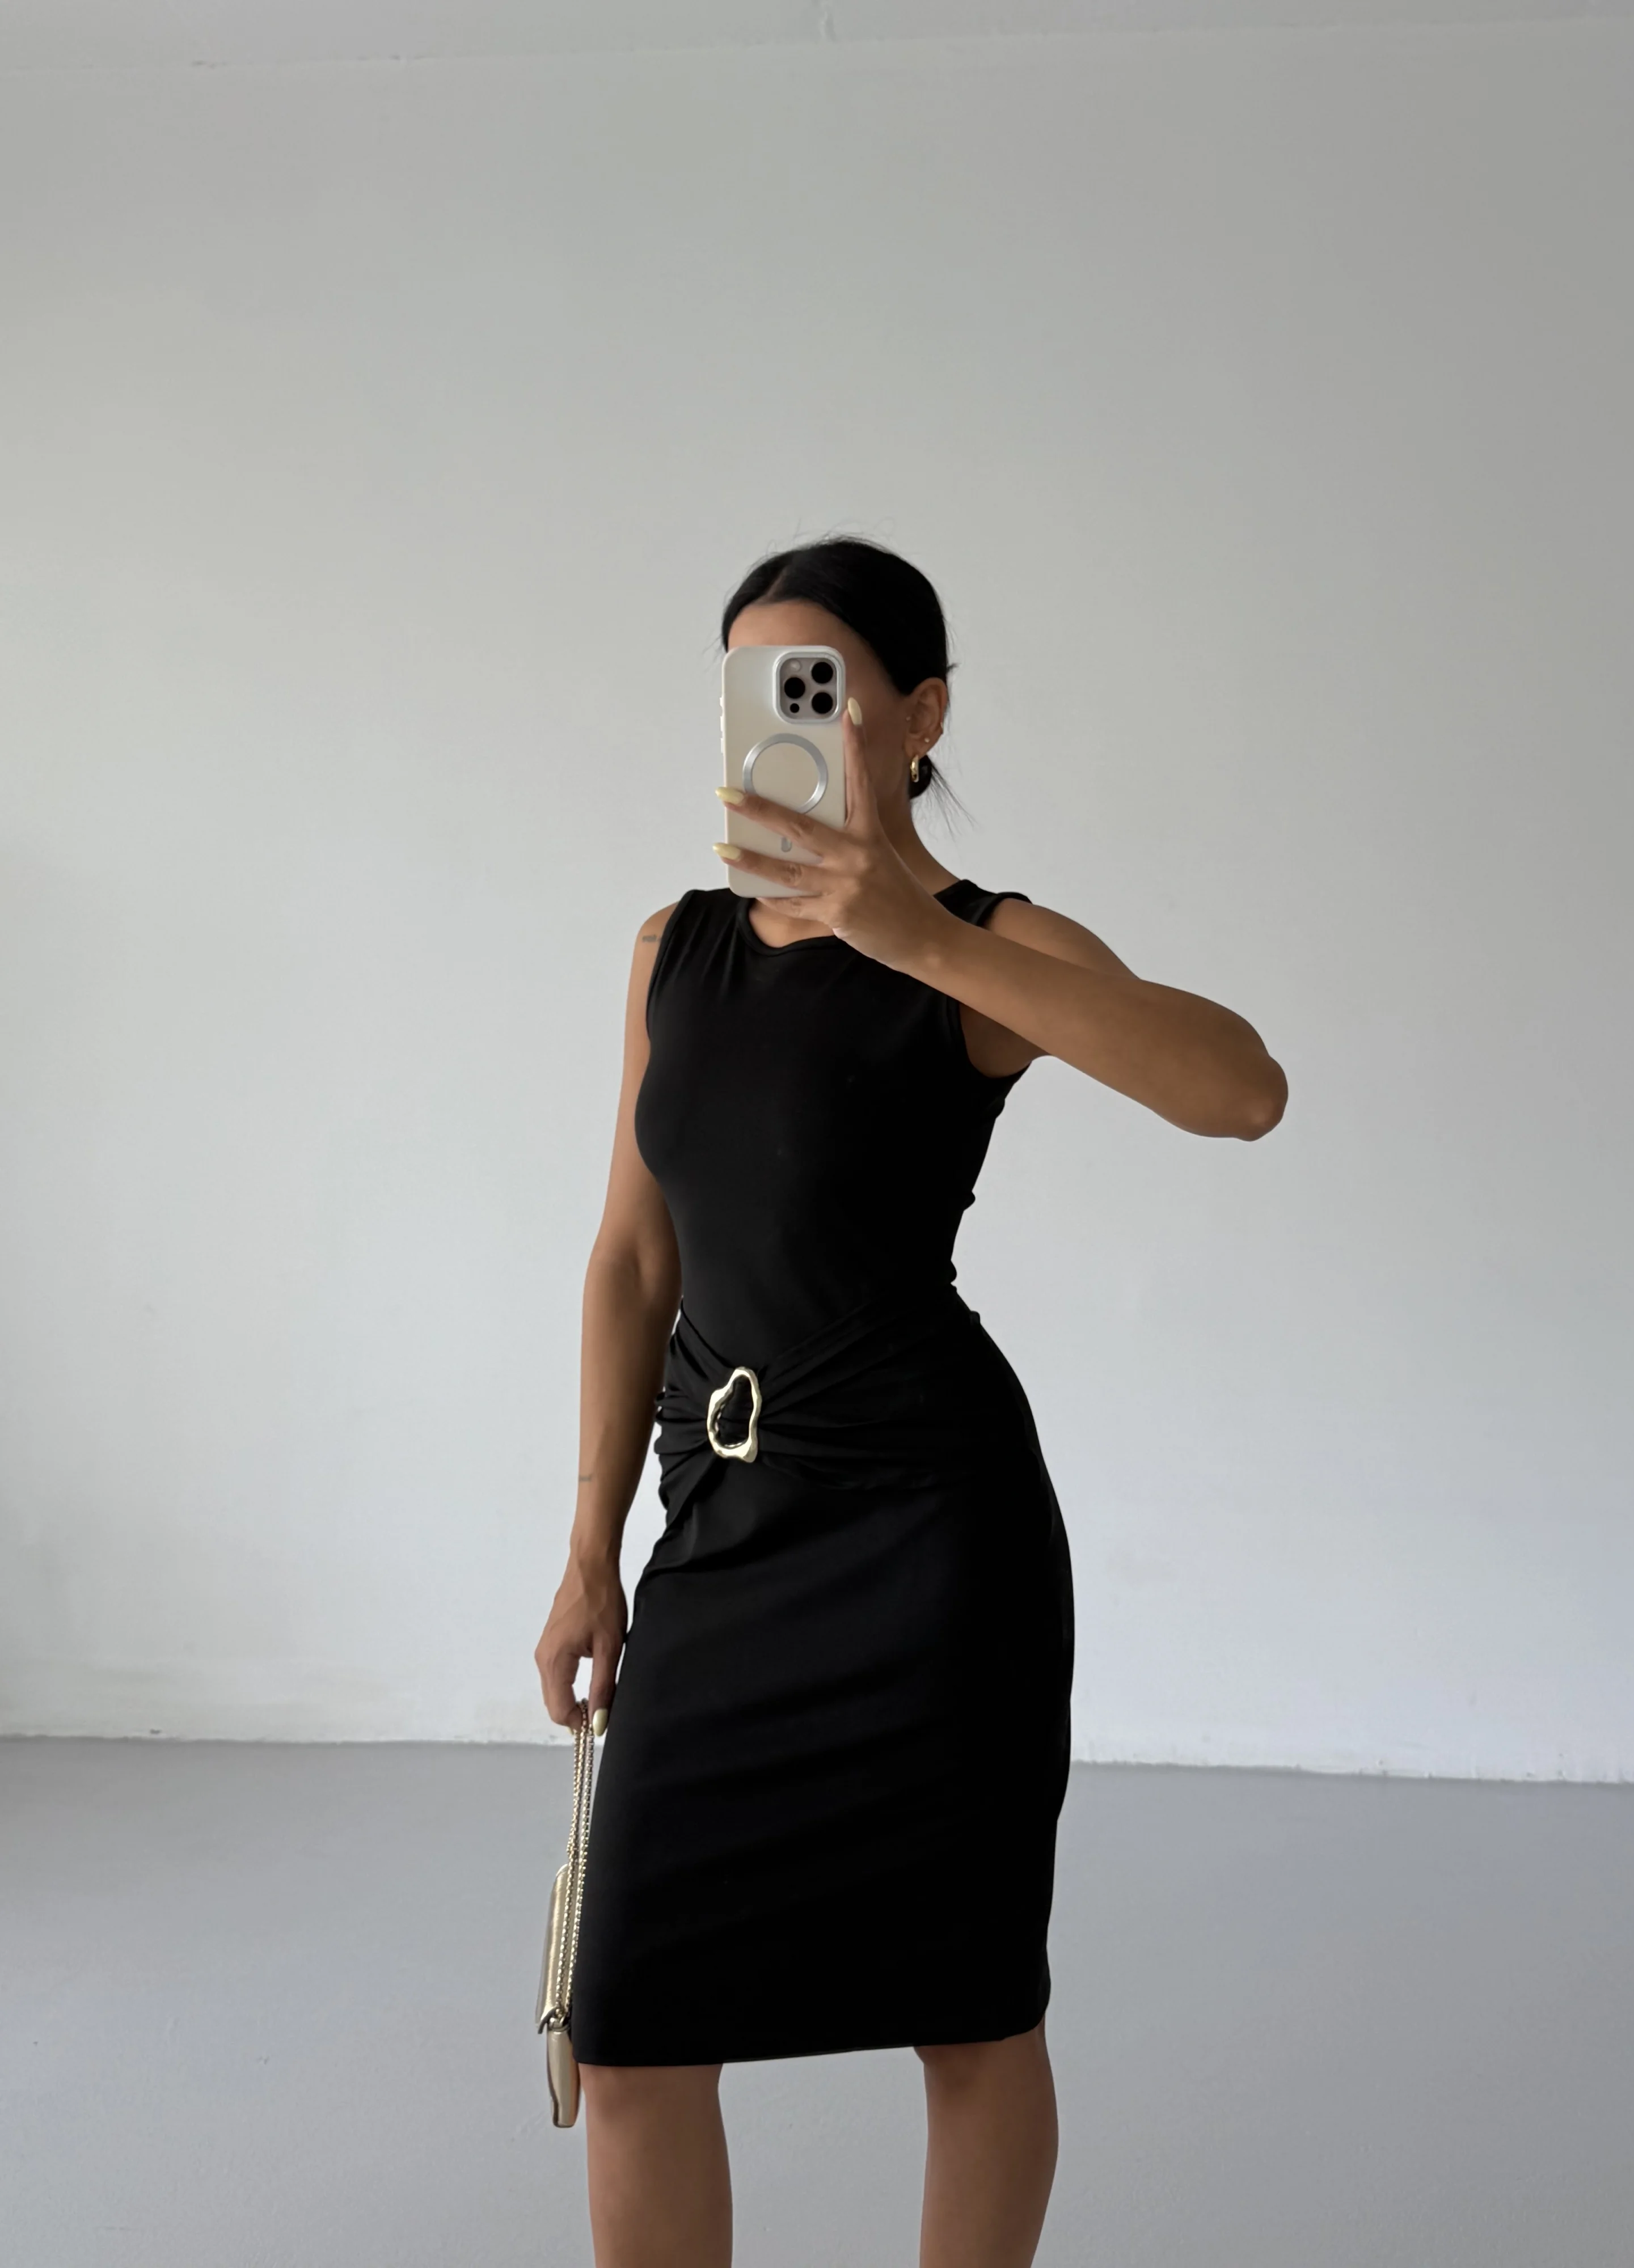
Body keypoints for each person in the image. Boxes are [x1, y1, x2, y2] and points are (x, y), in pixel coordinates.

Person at [534, 536, 1287, 2268]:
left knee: (969, 2011)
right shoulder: (672, 953)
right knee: (632, 2025)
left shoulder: (983, 947)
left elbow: (1240, 1090)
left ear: (921, 714)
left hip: (933, 1545)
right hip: (719, 1536)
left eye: (819, 687)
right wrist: (588, 1550)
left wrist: (907, 933)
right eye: (752, 688)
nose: (777, 721)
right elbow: (632, 1262)